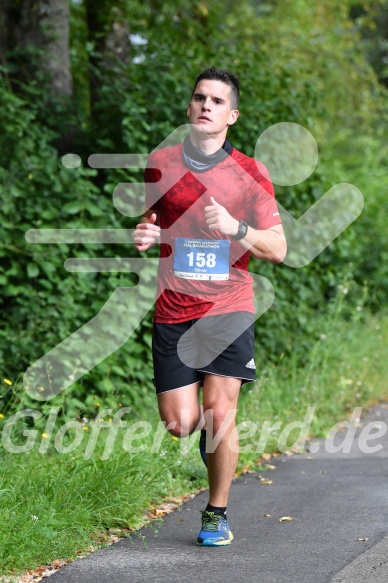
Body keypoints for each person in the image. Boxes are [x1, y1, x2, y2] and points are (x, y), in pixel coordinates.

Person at [134, 66, 286, 546]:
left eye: (217, 101)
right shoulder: (160, 161)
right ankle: (214, 432)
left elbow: (278, 248)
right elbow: (152, 220)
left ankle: (216, 513)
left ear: (232, 115)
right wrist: (145, 233)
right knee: (181, 424)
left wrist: (237, 230)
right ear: (189, 107)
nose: (206, 105)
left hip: (229, 306)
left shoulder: (250, 173)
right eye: (200, 97)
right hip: (174, 306)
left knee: (220, 415)